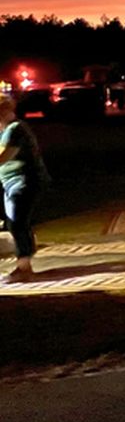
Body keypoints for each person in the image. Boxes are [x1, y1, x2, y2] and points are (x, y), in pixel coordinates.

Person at [0, 94, 48, 282]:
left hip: (24, 181)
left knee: (17, 222)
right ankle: (25, 261)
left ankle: (24, 267)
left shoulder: (16, 129)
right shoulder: (6, 130)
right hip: (13, 183)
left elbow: (3, 156)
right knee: (17, 222)